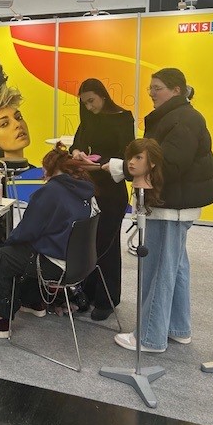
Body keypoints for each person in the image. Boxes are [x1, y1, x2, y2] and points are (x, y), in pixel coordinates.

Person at [106, 68, 213, 353]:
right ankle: (178, 328)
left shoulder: (183, 119)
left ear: (176, 90)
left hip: (171, 206)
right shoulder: (176, 117)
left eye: (157, 88)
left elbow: (168, 164)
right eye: (150, 87)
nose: (151, 92)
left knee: (159, 269)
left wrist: (123, 168)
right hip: (173, 204)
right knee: (175, 267)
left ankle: (150, 337)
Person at [0, 143, 97, 338]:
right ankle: (33, 301)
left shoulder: (51, 191)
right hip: (81, 264)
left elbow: (27, 230)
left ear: (48, 168)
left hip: (57, 265)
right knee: (27, 250)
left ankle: (0, 320)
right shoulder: (86, 191)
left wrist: (9, 242)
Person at [70, 78, 134, 321]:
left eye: (92, 101)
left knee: (107, 245)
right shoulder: (88, 118)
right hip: (89, 187)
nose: (89, 107)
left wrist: (100, 164)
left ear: (103, 96)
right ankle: (88, 291)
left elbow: (127, 155)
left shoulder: (123, 118)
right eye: (84, 103)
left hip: (111, 189)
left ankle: (107, 299)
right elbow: (77, 143)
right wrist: (77, 152)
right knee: (89, 242)